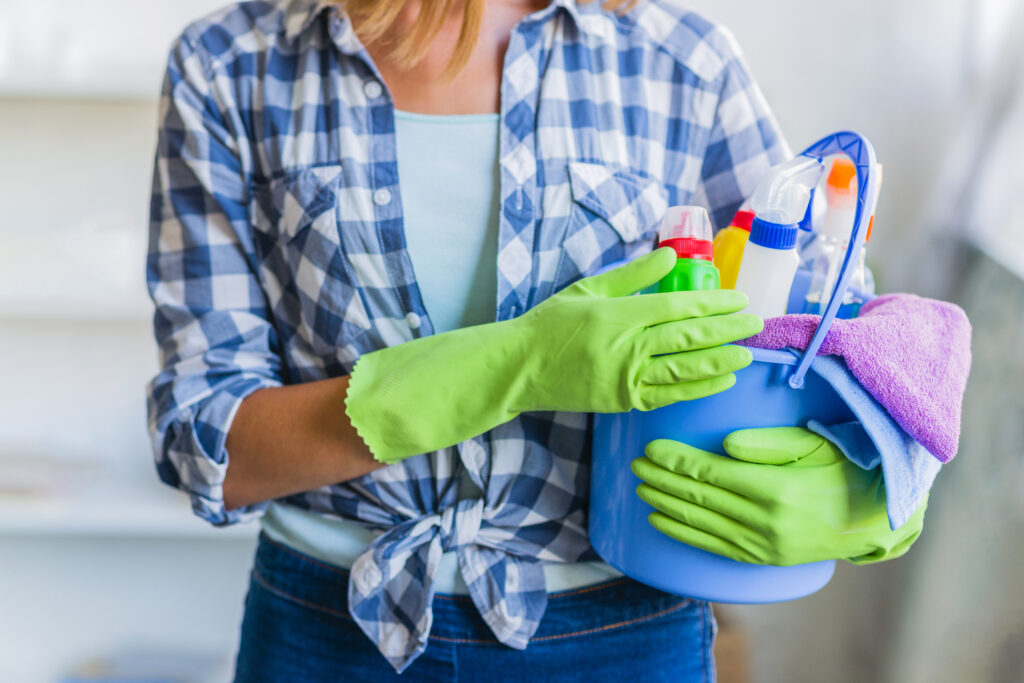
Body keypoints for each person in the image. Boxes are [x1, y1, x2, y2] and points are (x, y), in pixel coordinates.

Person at [146, 0, 924, 680]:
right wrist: (513, 365)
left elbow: (835, 341)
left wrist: (870, 484)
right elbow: (206, 444)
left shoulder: (682, 61)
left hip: (619, 634)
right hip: (327, 630)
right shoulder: (232, 66)